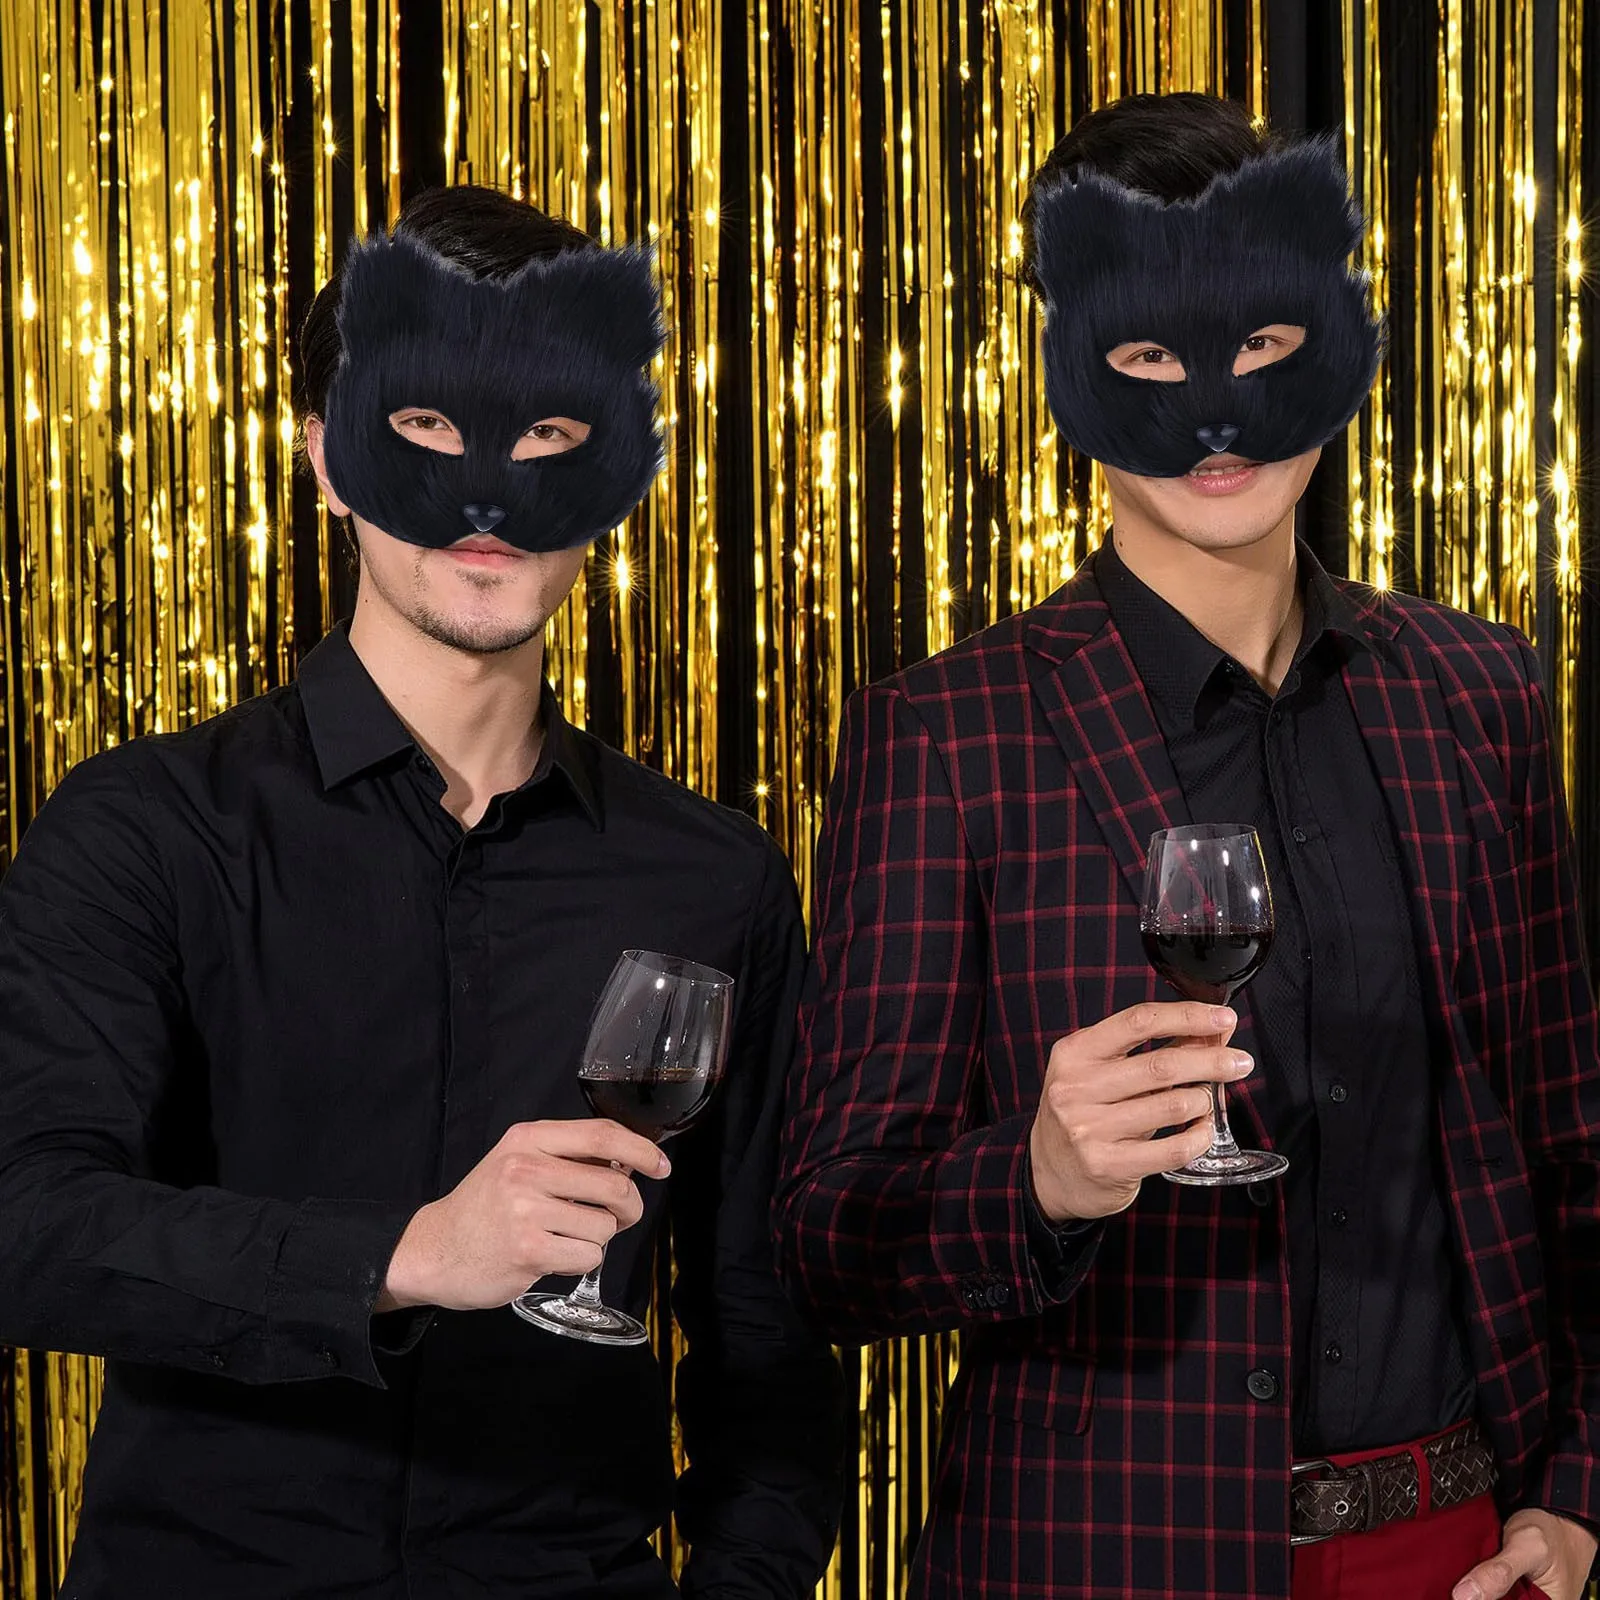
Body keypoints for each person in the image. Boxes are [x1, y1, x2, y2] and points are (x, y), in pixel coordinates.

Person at [774, 93, 1599, 1600]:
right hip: (1099, 1562)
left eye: (1263, 344)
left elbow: (1575, 1145)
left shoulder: (1479, 694)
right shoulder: (948, 734)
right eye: (1151, 359)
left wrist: (1581, 1496)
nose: (1217, 415)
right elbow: (828, 1236)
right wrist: (1036, 1176)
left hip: (1455, 1550)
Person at [0, 184, 843, 1600]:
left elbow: (768, 1330)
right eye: (430, 427)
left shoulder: (716, 875)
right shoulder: (143, 828)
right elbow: (26, 1223)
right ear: (328, 459)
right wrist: (405, 1254)